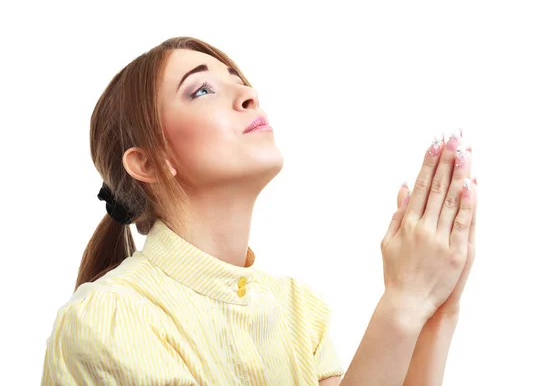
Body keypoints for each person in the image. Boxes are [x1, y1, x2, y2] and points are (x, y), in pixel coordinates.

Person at [41, 36, 478, 386]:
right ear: (149, 163)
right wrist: (401, 304)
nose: (248, 94)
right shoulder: (107, 320)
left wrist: (435, 312)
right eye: (203, 90)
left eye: (239, 80)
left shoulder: (298, 310)